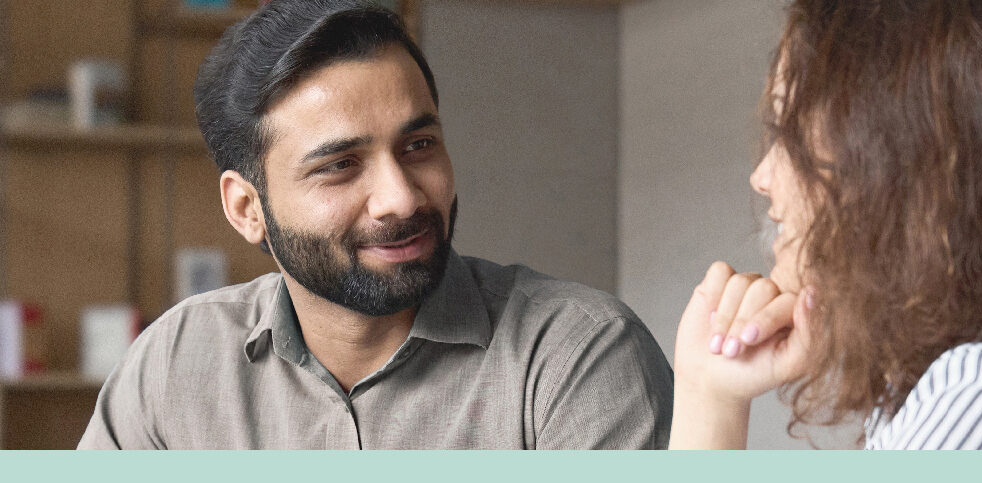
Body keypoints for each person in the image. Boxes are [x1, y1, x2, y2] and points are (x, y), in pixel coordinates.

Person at [78, 0, 672, 449]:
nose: (401, 198)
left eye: (418, 145)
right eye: (340, 166)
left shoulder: (577, 356)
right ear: (246, 208)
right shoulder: (175, 363)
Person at [670, 0, 982, 449]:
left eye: (792, 133)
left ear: (899, 161)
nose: (762, 177)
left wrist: (706, 407)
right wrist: (706, 390)